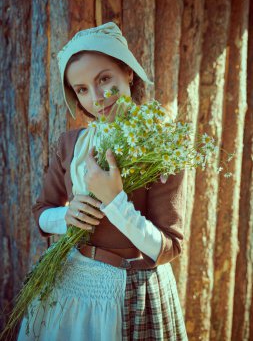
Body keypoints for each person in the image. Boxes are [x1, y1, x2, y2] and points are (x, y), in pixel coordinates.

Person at [17, 21, 188, 340]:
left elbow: (170, 247)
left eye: (104, 79)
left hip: (132, 292)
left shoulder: (162, 144)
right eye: (81, 89)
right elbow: (42, 211)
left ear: (129, 73)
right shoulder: (70, 144)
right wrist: (65, 216)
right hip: (70, 286)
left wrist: (115, 201)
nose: (95, 98)